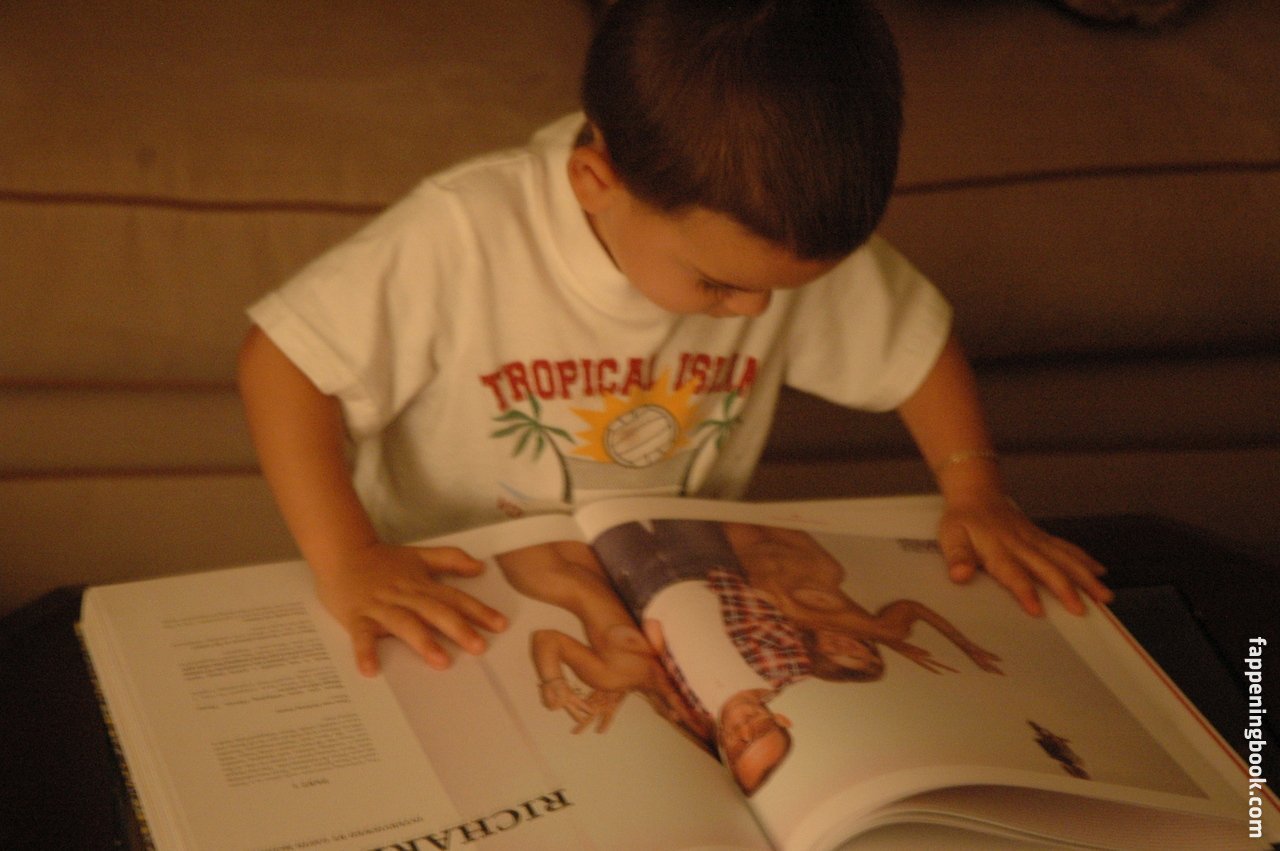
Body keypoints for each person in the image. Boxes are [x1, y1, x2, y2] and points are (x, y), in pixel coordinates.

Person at [236, 0, 1112, 677]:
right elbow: (281, 363)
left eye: (781, 293)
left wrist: (975, 490)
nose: (754, 313)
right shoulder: (463, 233)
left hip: (675, 582)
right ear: (596, 181)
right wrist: (350, 558)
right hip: (453, 589)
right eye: (719, 286)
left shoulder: (759, 233)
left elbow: (916, 345)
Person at [722, 522, 1004, 680]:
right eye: (857, 654)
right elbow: (914, 608)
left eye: (835, 653)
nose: (843, 647)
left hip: (750, 549)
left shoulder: (787, 625)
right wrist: (968, 646)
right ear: (870, 652)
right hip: (809, 560)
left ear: (820, 654)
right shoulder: (879, 628)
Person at [493, 539, 710, 741]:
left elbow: (547, 639)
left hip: (541, 573)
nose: (691, 705)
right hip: (577, 554)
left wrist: (554, 682)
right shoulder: (679, 653)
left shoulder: (614, 677)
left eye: (691, 719)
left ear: (673, 716)